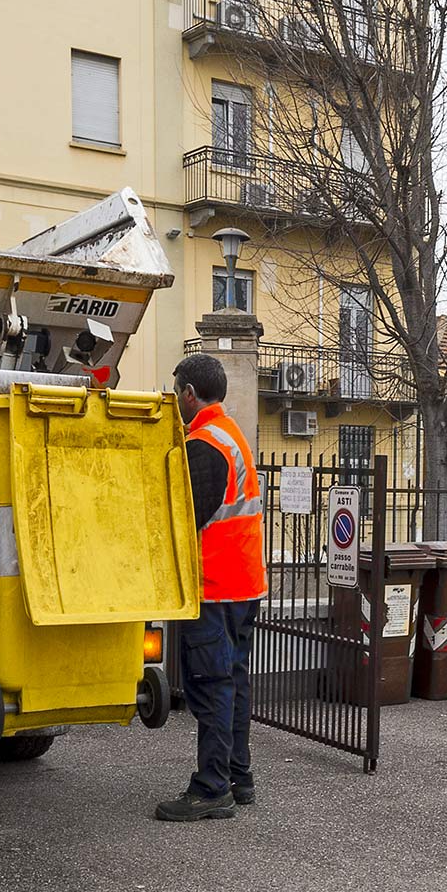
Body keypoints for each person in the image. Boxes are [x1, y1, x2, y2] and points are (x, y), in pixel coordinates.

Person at [155, 352, 268, 822]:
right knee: (234, 684)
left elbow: (186, 519)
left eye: (175, 390)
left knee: (212, 686)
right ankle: (238, 778)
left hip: (216, 586)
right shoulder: (232, 434)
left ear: (188, 393)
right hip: (244, 584)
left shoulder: (204, 443)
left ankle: (211, 787)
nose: (173, 399)